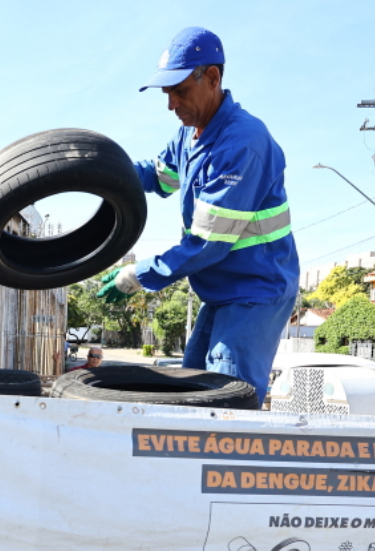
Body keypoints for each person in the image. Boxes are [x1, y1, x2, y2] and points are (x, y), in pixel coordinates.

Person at [97, 27, 299, 403]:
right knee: (190, 385)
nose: (171, 104)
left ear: (212, 78)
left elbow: (207, 243)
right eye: (166, 93)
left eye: (179, 91)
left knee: (225, 398)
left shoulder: (241, 143)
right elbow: (158, 176)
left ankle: (232, 462)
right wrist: (103, 168)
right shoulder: (190, 135)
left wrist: (138, 274)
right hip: (222, 288)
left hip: (255, 290)